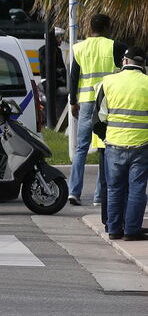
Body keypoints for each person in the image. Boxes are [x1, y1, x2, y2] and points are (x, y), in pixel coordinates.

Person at [68, 14, 127, 206]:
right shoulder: (115, 46)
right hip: (107, 102)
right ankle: (99, 196)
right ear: (107, 27)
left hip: (85, 102)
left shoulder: (79, 48)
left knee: (81, 148)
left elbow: (74, 77)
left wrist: (73, 101)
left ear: (90, 27)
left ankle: (74, 191)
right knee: (104, 147)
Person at [92, 47, 148, 241]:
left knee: (114, 188)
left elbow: (97, 119)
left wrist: (107, 137)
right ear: (143, 64)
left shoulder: (108, 82)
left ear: (124, 61)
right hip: (142, 145)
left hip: (114, 144)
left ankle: (114, 230)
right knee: (137, 189)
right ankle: (132, 231)